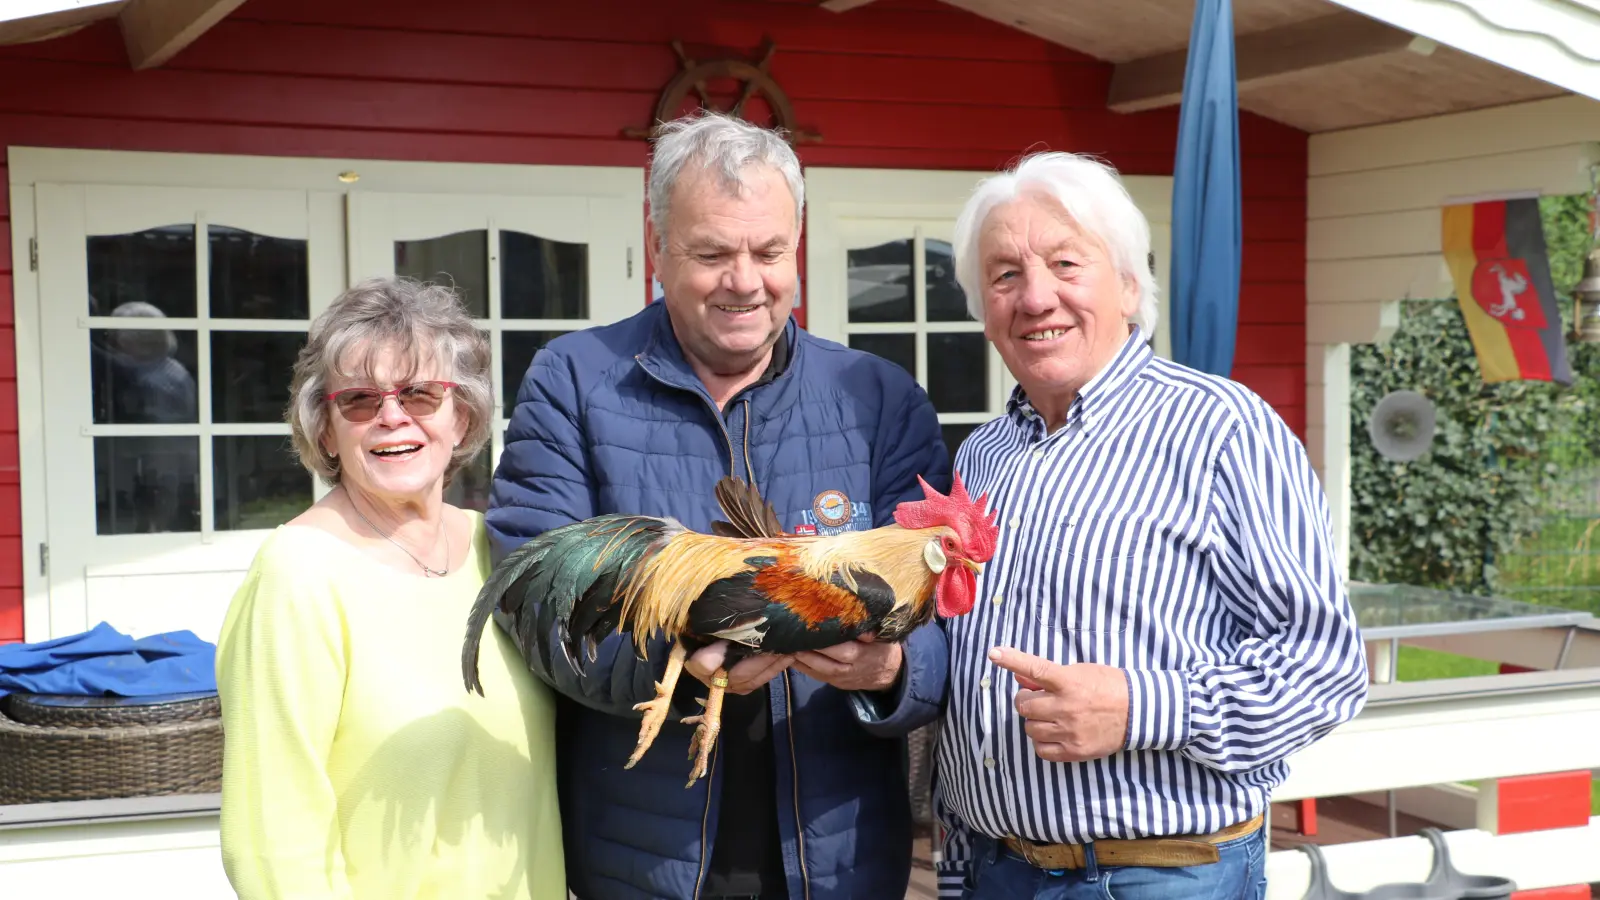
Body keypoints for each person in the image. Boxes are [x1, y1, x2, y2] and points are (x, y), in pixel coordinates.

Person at [486, 110, 953, 900]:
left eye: (769, 251)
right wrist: (687, 670)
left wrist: (892, 668)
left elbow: (951, 615)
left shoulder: (877, 397)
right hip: (640, 853)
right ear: (659, 249)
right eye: (712, 253)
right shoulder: (574, 381)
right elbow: (537, 601)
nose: (746, 280)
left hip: (839, 855)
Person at [932, 152, 1369, 900]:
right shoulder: (981, 454)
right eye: (1006, 275)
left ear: (1131, 286)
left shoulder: (1223, 429)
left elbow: (1324, 668)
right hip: (996, 869)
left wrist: (1140, 708)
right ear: (985, 309)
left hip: (1160, 875)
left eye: (1066, 264)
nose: (1036, 297)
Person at [215, 277, 565, 899]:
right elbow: (272, 840)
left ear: (463, 416)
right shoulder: (297, 575)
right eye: (358, 401)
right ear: (324, 429)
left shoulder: (502, 550)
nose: (392, 417)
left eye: (421, 394)